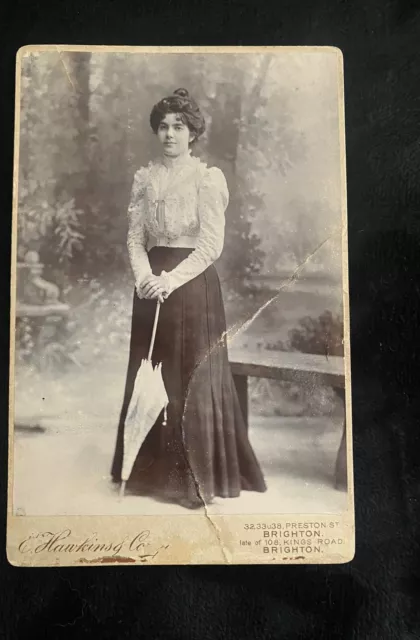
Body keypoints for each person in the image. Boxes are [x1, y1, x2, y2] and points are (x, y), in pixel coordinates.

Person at [111, 88, 267, 509]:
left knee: (188, 375)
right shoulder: (145, 179)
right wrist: (145, 276)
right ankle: (148, 472)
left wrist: (170, 280)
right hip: (150, 287)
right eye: (162, 126)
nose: (169, 134)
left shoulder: (207, 178)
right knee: (152, 373)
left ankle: (193, 478)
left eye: (178, 127)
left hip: (192, 285)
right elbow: (135, 237)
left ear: (192, 133)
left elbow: (211, 244)